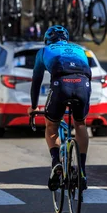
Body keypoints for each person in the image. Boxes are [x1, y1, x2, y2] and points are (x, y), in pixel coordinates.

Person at [28, 25, 92, 191]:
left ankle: (56, 161)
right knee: (80, 124)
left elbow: (36, 82)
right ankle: (82, 172)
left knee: (51, 126)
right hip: (83, 85)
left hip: (61, 85)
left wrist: (34, 107)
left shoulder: (44, 51)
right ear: (67, 39)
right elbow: (88, 72)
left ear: (47, 40)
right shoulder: (79, 49)